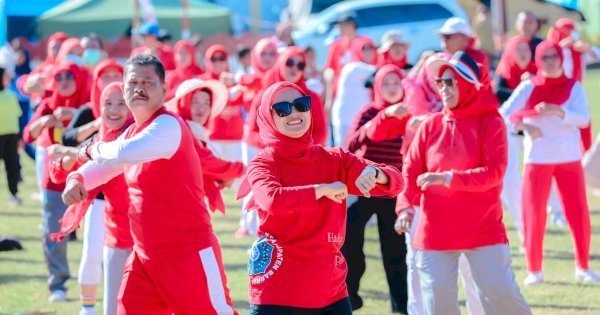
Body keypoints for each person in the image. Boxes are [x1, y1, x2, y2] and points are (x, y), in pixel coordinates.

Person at [61, 54, 237, 314]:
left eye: (148, 82)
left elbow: (121, 153)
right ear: (124, 89)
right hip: (145, 258)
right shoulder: (134, 131)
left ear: (164, 89)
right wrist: (76, 178)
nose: (139, 88)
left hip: (187, 255)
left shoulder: (168, 125)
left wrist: (85, 151)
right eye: (133, 83)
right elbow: (107, 166)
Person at [236, 81, 403, 314]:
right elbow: (272, 200)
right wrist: (322, 189)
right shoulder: (263, 163)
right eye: (283, 108)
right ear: (267, 116)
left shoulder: (334, 159)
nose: (294, 113)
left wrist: (375, 174)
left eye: (301, 105)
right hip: (279, 291)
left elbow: (396, 182)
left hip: (330, 290)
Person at [394, 51, 532, 315]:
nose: (444, 88)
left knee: (500, 294)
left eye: (451, 81)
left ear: (467, 83)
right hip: (435, 229)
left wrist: (446, 179)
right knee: (438, 302)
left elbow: (493, 173)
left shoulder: (491, 122)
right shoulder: (430, 125)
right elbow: (411, 170)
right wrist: (405, 208)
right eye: (440, 82)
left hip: (483, 226)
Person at [500, 40, 600, 285]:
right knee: (533, 214)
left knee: (578, 214)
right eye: (545, 57)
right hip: (538, 158)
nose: (551, 61)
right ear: (539, 60)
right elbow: (504, 115)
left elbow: (584, 119)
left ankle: (583, 267)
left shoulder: (573, 87)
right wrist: (527, 126)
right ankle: (535, 270)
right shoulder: (529, 86)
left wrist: (557, 111)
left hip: (569, 158)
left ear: (561, 58)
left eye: (554, 56)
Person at [49, 82, 134, 315]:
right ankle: (87, 309)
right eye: (108, 103)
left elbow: (110, 156)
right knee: (113, 307)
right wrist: (71, 167)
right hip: (116, 234)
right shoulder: (99, 139)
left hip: (146, 236)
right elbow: (62, 169)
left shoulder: (139, 136)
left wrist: (68, 153)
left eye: (121, 104)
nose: (114, 110)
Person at [343, 65, 409, 313]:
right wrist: (375, 124)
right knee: (349, 238)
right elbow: (350, 144)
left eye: (396, 82)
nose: (392, 88)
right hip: (367, 188)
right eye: (386, 83)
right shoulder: (368, 112)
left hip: (394, 191)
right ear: (378, 87)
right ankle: (350, 297)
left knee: (395, 251)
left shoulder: (409, 114)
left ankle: (401, 306)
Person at [23, 61, 90, 302]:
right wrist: (44, 122)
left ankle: (99, 280)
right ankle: (58, 285)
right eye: (59, 77)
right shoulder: (48, 103)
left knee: (99, 235)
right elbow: (28, 135)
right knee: (53, 231)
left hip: (89, 178)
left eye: (69, 77)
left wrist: (76, 116)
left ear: (79, 79)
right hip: (54, 180)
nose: (63, 81)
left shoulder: (89, 104)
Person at [167, 78, 245, 214]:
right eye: (194, 102)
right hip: (175, 207)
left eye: (207, 103)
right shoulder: (180, 130)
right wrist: (243, 169)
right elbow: (205, 162)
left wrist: (220, 178)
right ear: (183, 104)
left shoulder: (196, 132)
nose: (202, 108)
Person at [494, 36, 537, 239]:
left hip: (532, 130)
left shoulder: (537, 72)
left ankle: (550, 213)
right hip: (510, 132)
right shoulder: (505, 72)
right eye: (517, 49)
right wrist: (521, 88)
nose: (522, 53)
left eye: (525, 49)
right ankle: (523, 228)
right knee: (512, 179)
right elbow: (499, 95)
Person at [331, 37, 378, 147]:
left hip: (359, 121)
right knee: (342, 155)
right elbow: (383, 73)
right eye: (363, 48)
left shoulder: (366, 68)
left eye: (370, 47)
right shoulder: (353, 67)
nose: (368, 51)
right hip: (345, 121)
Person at [201, 45, 244, 162]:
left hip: (235, 137)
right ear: (208, 61)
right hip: (213, 137)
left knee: (236, 177)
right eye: (214, 59)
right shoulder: (204, 83)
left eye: (221, 58)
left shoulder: (236, 80)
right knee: (215, 177)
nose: (218, 62)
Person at [0, 66, 22, 206]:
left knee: (12, 166)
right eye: (5, 76)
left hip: (11, 137)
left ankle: (14, 194)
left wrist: (19, 137)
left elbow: (17, 117)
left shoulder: (11, 95)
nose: (8, 79)